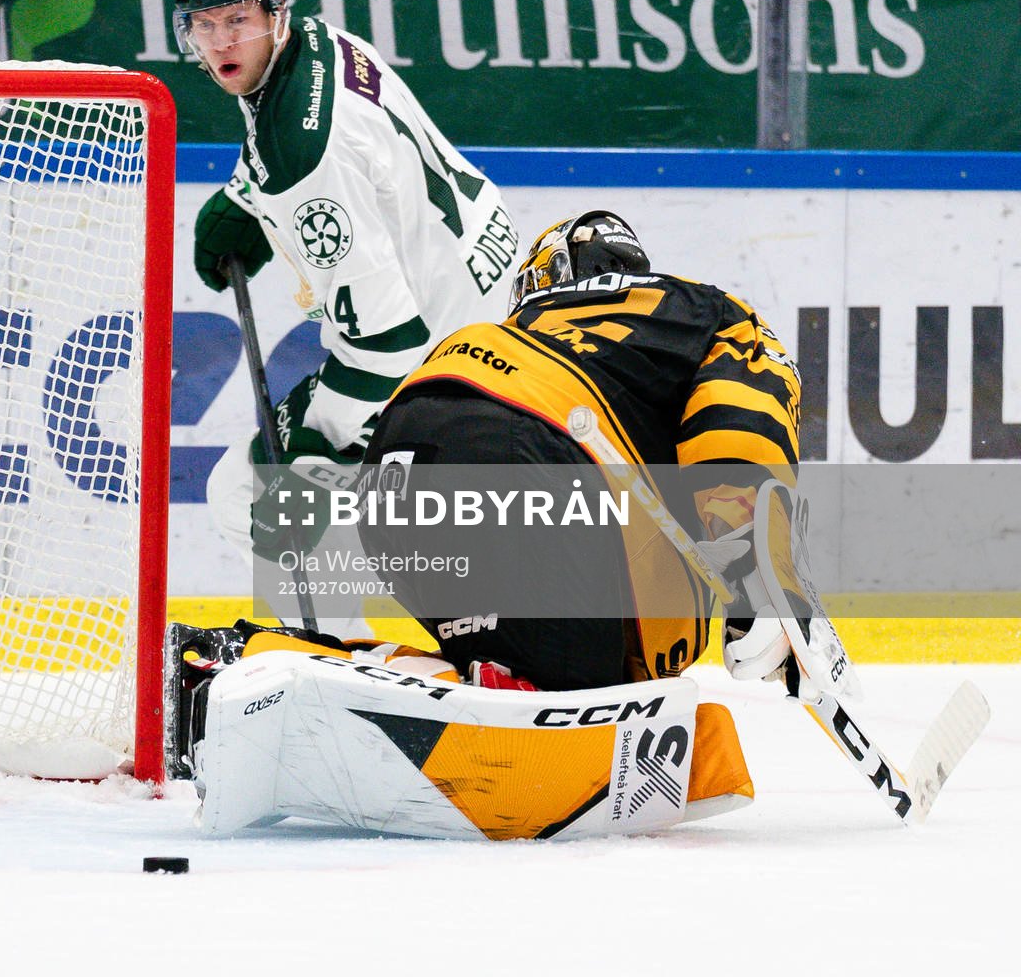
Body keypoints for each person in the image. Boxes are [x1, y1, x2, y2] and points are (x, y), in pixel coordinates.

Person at [173, 211, 796, 837]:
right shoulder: (697, 312)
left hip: (403, 461)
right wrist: (759, 582)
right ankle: (521, 693)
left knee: (494, 669)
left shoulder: (517, 334)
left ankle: (235, 663)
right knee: (587, 695)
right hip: (525, 458)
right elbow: (743, 420)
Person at [174, 0, 519, 577]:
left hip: (448, 358)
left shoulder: (304, 162)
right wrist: (248, 195)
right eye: (204, 22)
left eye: (238, 19)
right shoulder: (324, 43)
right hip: (491, 281)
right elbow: (327, 138)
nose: (220, 41)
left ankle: (380, 635)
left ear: (277, 9)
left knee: (247, 492)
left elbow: (388, 341)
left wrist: (320, 444)